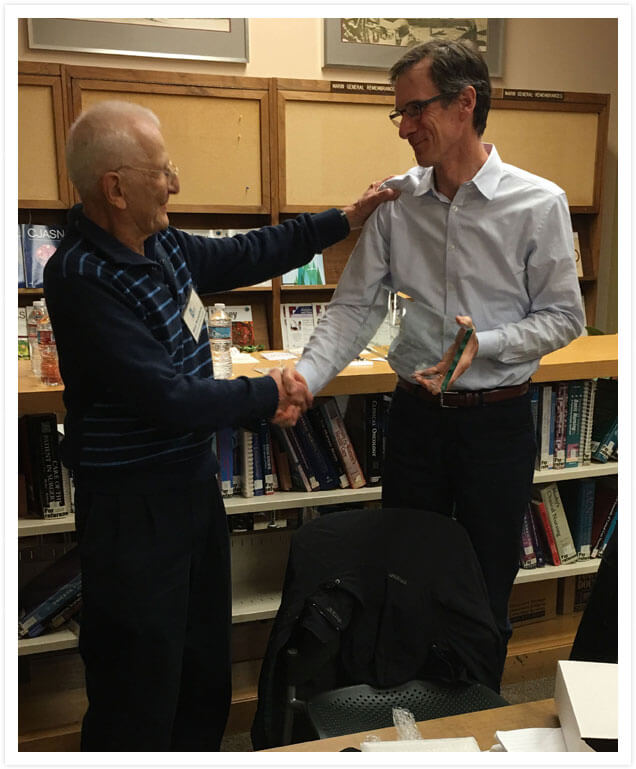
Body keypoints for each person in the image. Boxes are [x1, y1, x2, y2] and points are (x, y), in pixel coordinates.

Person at [43, 99, 398, 751]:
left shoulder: (161, 243)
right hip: (132, 511)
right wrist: (273, 392)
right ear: (115, 188)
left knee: (202, 667)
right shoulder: (80, 275)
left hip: (190, 490)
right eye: (163, 170)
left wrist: (341, 221)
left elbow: (245, 254)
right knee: (139, 684)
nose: (175, 183)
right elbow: (169, 398)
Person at [296, 41, 585, 682]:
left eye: (415, 109)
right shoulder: (397, 202)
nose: (403, 127)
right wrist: (303, 381)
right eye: (397, 114)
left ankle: (477, 714)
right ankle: (409, 719)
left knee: (485, 585)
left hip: (496, 423)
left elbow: (566, 318)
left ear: (465, 103)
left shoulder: (539, 203)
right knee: (405, 575)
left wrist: (488, 342)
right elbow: (353, 308)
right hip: (416, 421)